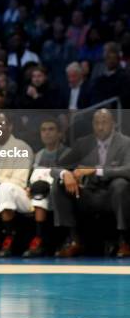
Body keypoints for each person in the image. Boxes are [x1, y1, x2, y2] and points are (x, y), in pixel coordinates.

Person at [52, 109, 130, 258]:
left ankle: (124, 241)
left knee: (120, 184)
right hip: (89, 194)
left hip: (112, 194)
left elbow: (128, 169)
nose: (100, 127)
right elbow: (56, 167)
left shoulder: (126, 142)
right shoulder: (83, 143)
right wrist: (65, 173)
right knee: (59, 184)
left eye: (104, 122)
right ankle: (74, 240)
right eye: (97, 123)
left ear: (113, 124)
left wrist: (96, 170)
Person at [0, 113, 34, 258]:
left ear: (10, 126)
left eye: (0, 124)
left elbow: (19, 182)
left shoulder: (22, 147)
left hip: (12, 191)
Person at [23, 118, 70, 257]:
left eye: (51, 129)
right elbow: (31, 177)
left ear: (60, 133)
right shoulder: (38, 155)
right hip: (37, 192)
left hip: (58, 193)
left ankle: (40, 239)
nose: (47, 133)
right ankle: (37, 238)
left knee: (41, 189)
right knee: (36, 188)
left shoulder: (68, 153)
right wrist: (28, 187)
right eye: (43, 130)